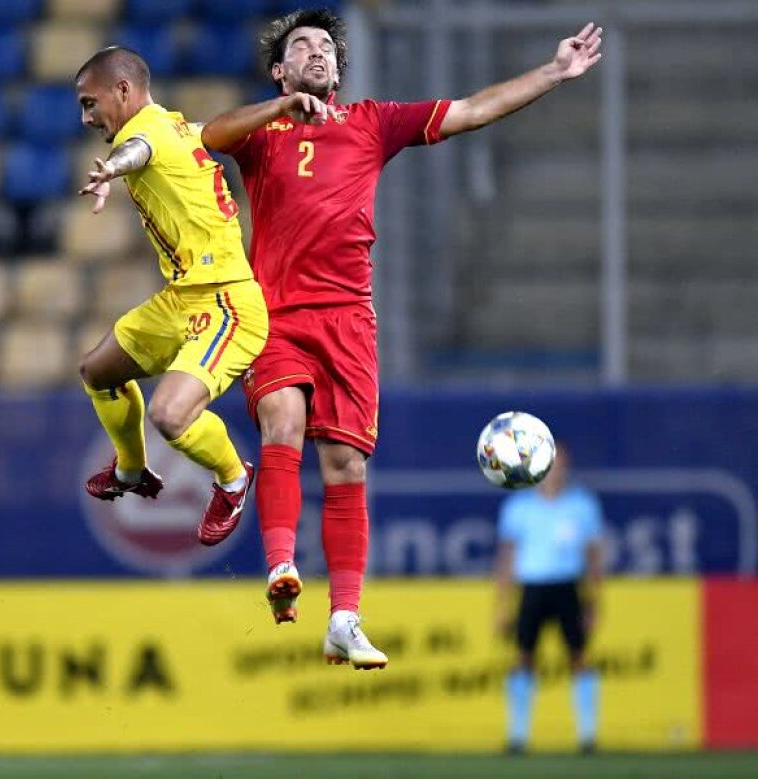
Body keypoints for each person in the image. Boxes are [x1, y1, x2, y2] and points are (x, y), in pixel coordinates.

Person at [200, 8, 602, 669]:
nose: (317, 53)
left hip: (349, 320)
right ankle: (280, 566)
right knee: (282, 423)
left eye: (326, 46)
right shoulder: (263, 131)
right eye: (302, 47)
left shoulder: (370, 122)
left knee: (346, 467)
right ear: (281, 71)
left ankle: (345, 618)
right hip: (273, 313)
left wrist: (554, 72)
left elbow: (471, 109)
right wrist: (277, 109)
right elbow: (211, 133)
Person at [74, 47, 270, 544]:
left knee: (169, 413)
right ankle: (131, 471)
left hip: (226, 302)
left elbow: (136, 149)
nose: (86, 117)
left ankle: (233, 478)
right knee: (99, 371)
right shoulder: (177, 125)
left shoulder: (148, 133)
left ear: (123, 90)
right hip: (183, 298)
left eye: (90, 104)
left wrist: (112, 170)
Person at [495, 444, 604, 754]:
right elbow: (507, 558)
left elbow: (594, 555)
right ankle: (517, 737)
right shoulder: (519, 506)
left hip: (568, 587)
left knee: (579, 658)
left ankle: (588, 736)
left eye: (561, 462)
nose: (555, 469)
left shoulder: (582, 505)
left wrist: (595, 601)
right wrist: (502, 605)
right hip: (532, 588)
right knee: (523, 659)